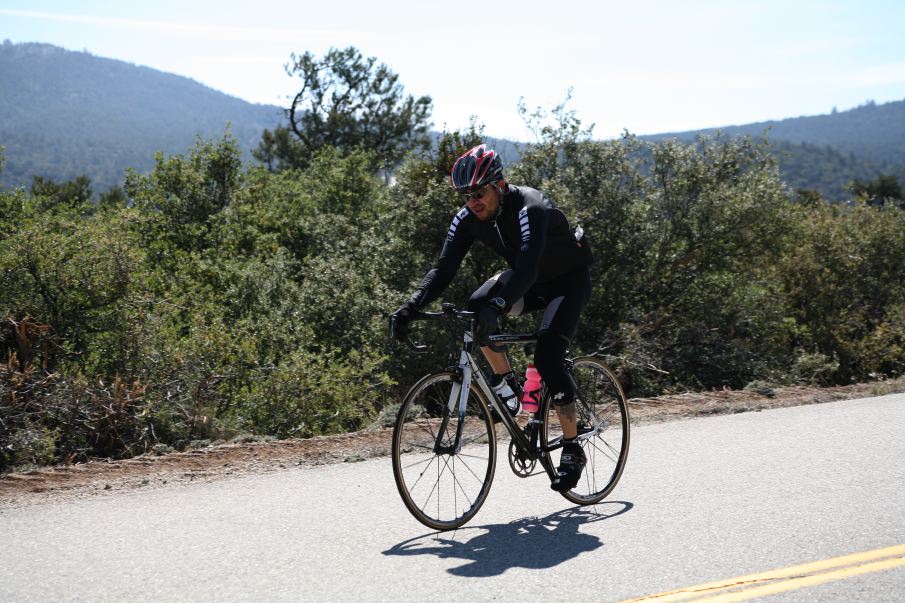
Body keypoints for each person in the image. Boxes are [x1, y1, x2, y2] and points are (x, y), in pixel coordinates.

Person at [390, 143, 594, 492]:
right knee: (475, 309)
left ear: (499, 185)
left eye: (478, 193)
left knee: (547, 356)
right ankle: (509, 385)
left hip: (566, 282)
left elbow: (528, 266)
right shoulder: (467, 219)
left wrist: (498, 305)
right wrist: (411, 305)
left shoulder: (531, 206)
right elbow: (443, 268)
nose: (472, 202)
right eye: (465, 196)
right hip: (528, 282)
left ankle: (573, 447)